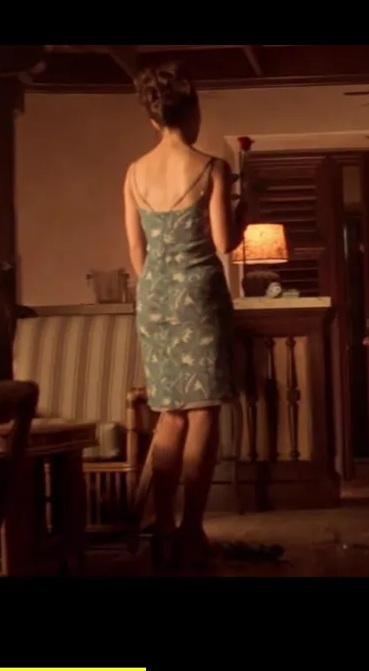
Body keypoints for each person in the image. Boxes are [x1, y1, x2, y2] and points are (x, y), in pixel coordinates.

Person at [124, 61, 247, 569]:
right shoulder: (212, 166)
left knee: (169, 412)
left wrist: (160, 287)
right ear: (191, 112)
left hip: (154, 297)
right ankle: (192, 530)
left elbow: (137, 254)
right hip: (198, 294)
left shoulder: (134, 172)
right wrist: (245, 209)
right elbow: (224, 242)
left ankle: (163, 526)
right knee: (203, 411)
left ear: (153, 119)